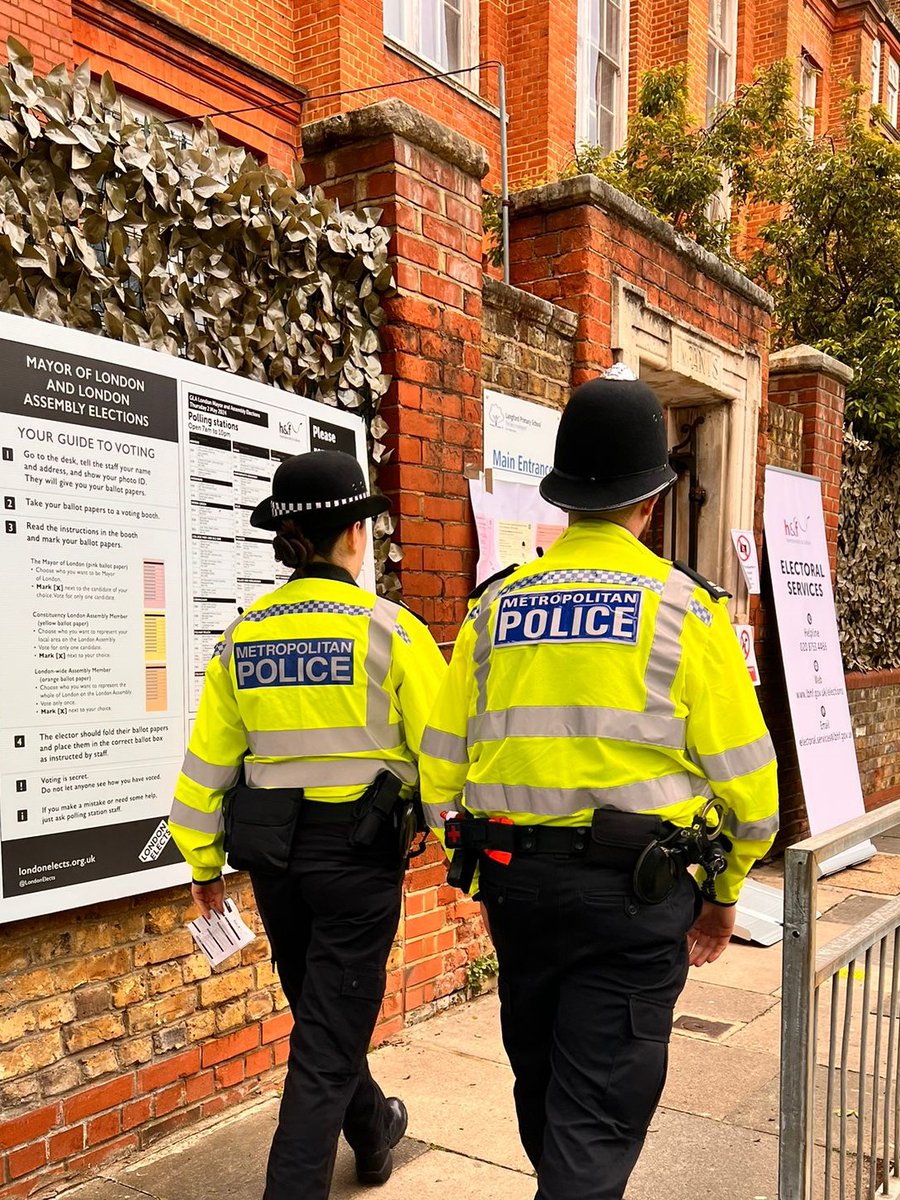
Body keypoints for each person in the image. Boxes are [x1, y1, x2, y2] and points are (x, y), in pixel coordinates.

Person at [419, 369, 779, 1200]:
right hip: (634, 896)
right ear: (652, 499)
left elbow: (440, 768)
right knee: (593, 1127)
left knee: (546, 1101)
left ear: (563, 500)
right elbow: (753, 792)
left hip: (517, 891)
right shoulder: (685, 612)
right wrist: (723, 889)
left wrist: (478, 852)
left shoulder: (492, 611)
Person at [168, 450, 447, 1200]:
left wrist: (202, 868)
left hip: (276, 861)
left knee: (325, 1018)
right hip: (358, 862)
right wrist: (463, 851)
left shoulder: (243, 636)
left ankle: (374, 1131)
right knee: (325, 1041)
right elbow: (447, 759)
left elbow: (206, 766)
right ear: (356, 533)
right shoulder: (392, 631)